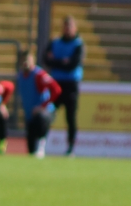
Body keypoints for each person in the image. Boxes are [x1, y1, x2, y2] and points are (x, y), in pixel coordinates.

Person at [43, 14, 84, 154]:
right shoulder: (55, 42)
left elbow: (73, 64)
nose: (67, 29)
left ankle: (70, 148)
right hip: (56, 84)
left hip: (71, 84)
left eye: (70, 27)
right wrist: (63, 61)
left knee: (70, 117)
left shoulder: (78, 44)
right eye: (65, 26)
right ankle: (42, 143)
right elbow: (46, 60)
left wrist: (56, 62)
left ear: (75, 28)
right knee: (48, 113)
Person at [15, 47, 63, 158]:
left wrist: (43, 106)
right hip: (30, 116)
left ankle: (42, 146)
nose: (25, 62)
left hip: (44, 113)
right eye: (23, 60)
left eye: (27, 59)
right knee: (31, 150)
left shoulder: (39, 74)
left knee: (40, 118)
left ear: (33, 60)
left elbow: (56, 89)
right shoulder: (21, 76)